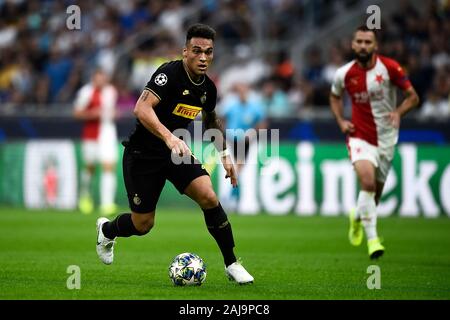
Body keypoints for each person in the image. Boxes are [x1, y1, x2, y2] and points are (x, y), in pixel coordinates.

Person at [95, 24, 254, 284]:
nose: (203, 57)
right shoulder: (168, 74)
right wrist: (168, 136)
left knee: (209, 196)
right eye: (197, 51)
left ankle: (232, 263)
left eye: (209, 52)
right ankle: (107, 229)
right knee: (143, 224)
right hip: (143, 154)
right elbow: (141, 109)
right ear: (185, 52)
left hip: (175, 152)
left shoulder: (208, 89)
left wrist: (225, 154)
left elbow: (211, 121)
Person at [329, 26, 419, 259]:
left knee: (374, 196)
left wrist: (399, 112)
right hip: (359, 136)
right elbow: (334, 96)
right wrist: (340, 120)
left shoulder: (390, 68)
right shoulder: (344, 73)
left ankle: (357, 216)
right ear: (352, 44)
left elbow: (413, 97)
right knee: (367, 182)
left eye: (368, 42)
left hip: (386, 139)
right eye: (359, 41)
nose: (363, 46)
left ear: (375, 46)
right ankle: (373, 241)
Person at [73, 69, 119, 216]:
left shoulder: (111, 91)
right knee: (90, 168)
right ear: (94, 79)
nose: (101, 81)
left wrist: (114, 113)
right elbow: (77, 113)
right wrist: (92, 114)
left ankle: (107, 203)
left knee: (109, 166)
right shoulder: (85, 92)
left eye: (103, 78)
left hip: (107, 133)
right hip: (91, 135)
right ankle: (85, 197)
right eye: (98, 78)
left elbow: (112, 111)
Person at [220, 82, 266, 209]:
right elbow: (221, 119)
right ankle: (233, 194)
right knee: (236, 166)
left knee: (238, 166)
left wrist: (252, 133)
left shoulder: (254, 107)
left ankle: (232, 195)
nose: (242, 94)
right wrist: (224, 132)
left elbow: (262, 123)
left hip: (244, 141)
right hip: (232, 139)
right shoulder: (231, 106)